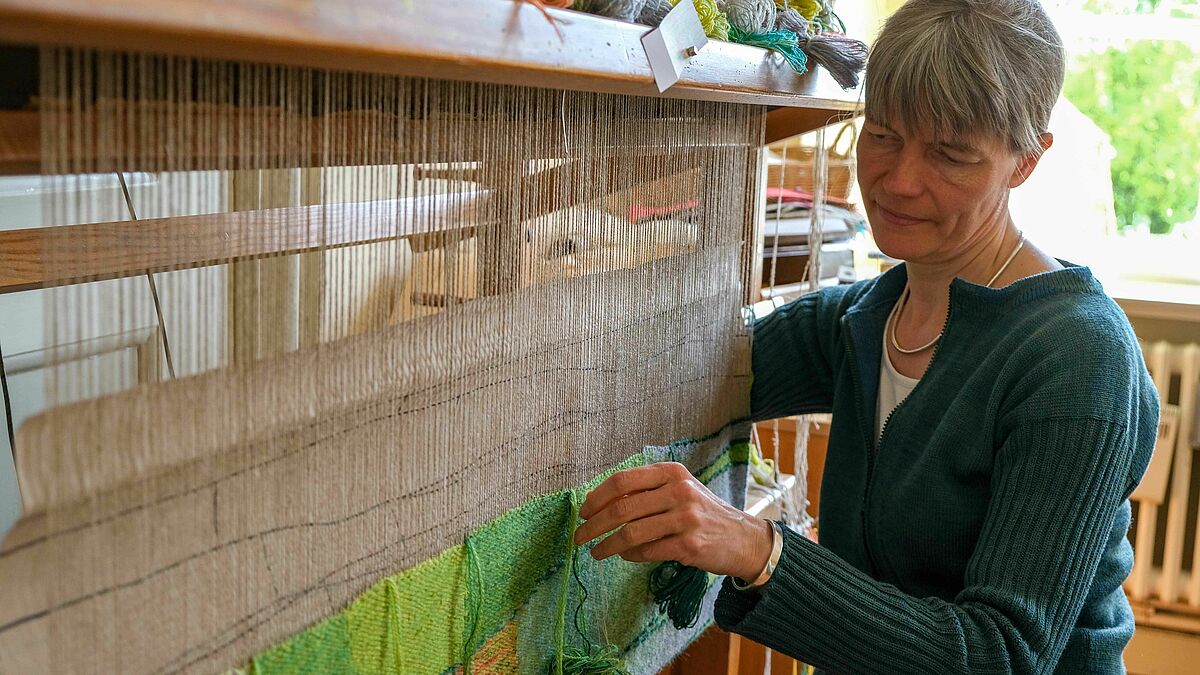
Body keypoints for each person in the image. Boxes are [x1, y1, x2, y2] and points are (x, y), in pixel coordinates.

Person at [572, 0, 1160, 671]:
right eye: (882, 135)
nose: (899, 180)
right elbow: (694, 368)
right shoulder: (870, 316)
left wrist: (757, 549)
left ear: (1025, 160)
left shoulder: (1078, 358)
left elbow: (1001, 654)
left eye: (950, 154)